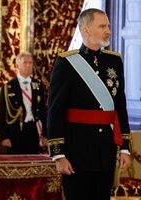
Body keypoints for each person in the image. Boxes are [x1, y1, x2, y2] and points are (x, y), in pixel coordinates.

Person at [47, 8, 131, 200]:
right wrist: (58, 155)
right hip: (77, 151)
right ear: (85, 29)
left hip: (106, 152)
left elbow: (120, 106)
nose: (108, 30)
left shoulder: (114, 61)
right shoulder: (66, 62)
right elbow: (55, 111)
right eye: (102, 26)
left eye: (108, 26)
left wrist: (124, 148)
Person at [0, 52, 47, 154]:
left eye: (30, 63)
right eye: (25, 62)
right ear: (17, 65)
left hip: (33, 129)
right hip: (16, 131)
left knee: (33, 162)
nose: (28, 65)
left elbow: (43, 111)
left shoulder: (37, 85)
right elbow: (2, 114)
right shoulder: (8, 87)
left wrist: (45, 135)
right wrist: (4, 137)